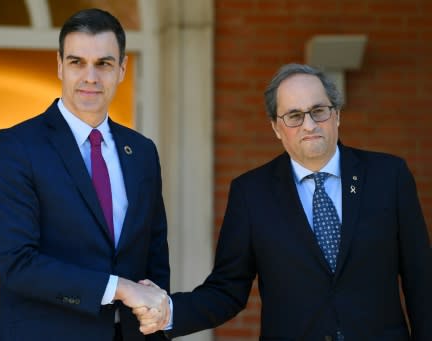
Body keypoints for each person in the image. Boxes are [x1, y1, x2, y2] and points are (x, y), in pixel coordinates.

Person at [135, 63, 432, 340]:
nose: (309, 125)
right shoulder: (251, 194)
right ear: (277, 128)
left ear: (337, 115)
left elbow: (421, 278)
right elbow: (228, 289)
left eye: (319, 111)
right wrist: (169, 312)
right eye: (294, 116)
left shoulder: (388, 176)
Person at [0, 8, 170, 341]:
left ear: (122, 69)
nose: (90, 77)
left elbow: (154, 255)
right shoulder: (15, 147)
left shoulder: (141, 152)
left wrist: (157, 310)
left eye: (104, 64)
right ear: (59, 65)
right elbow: (18, 264)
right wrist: (120, 289)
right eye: (77, 62)